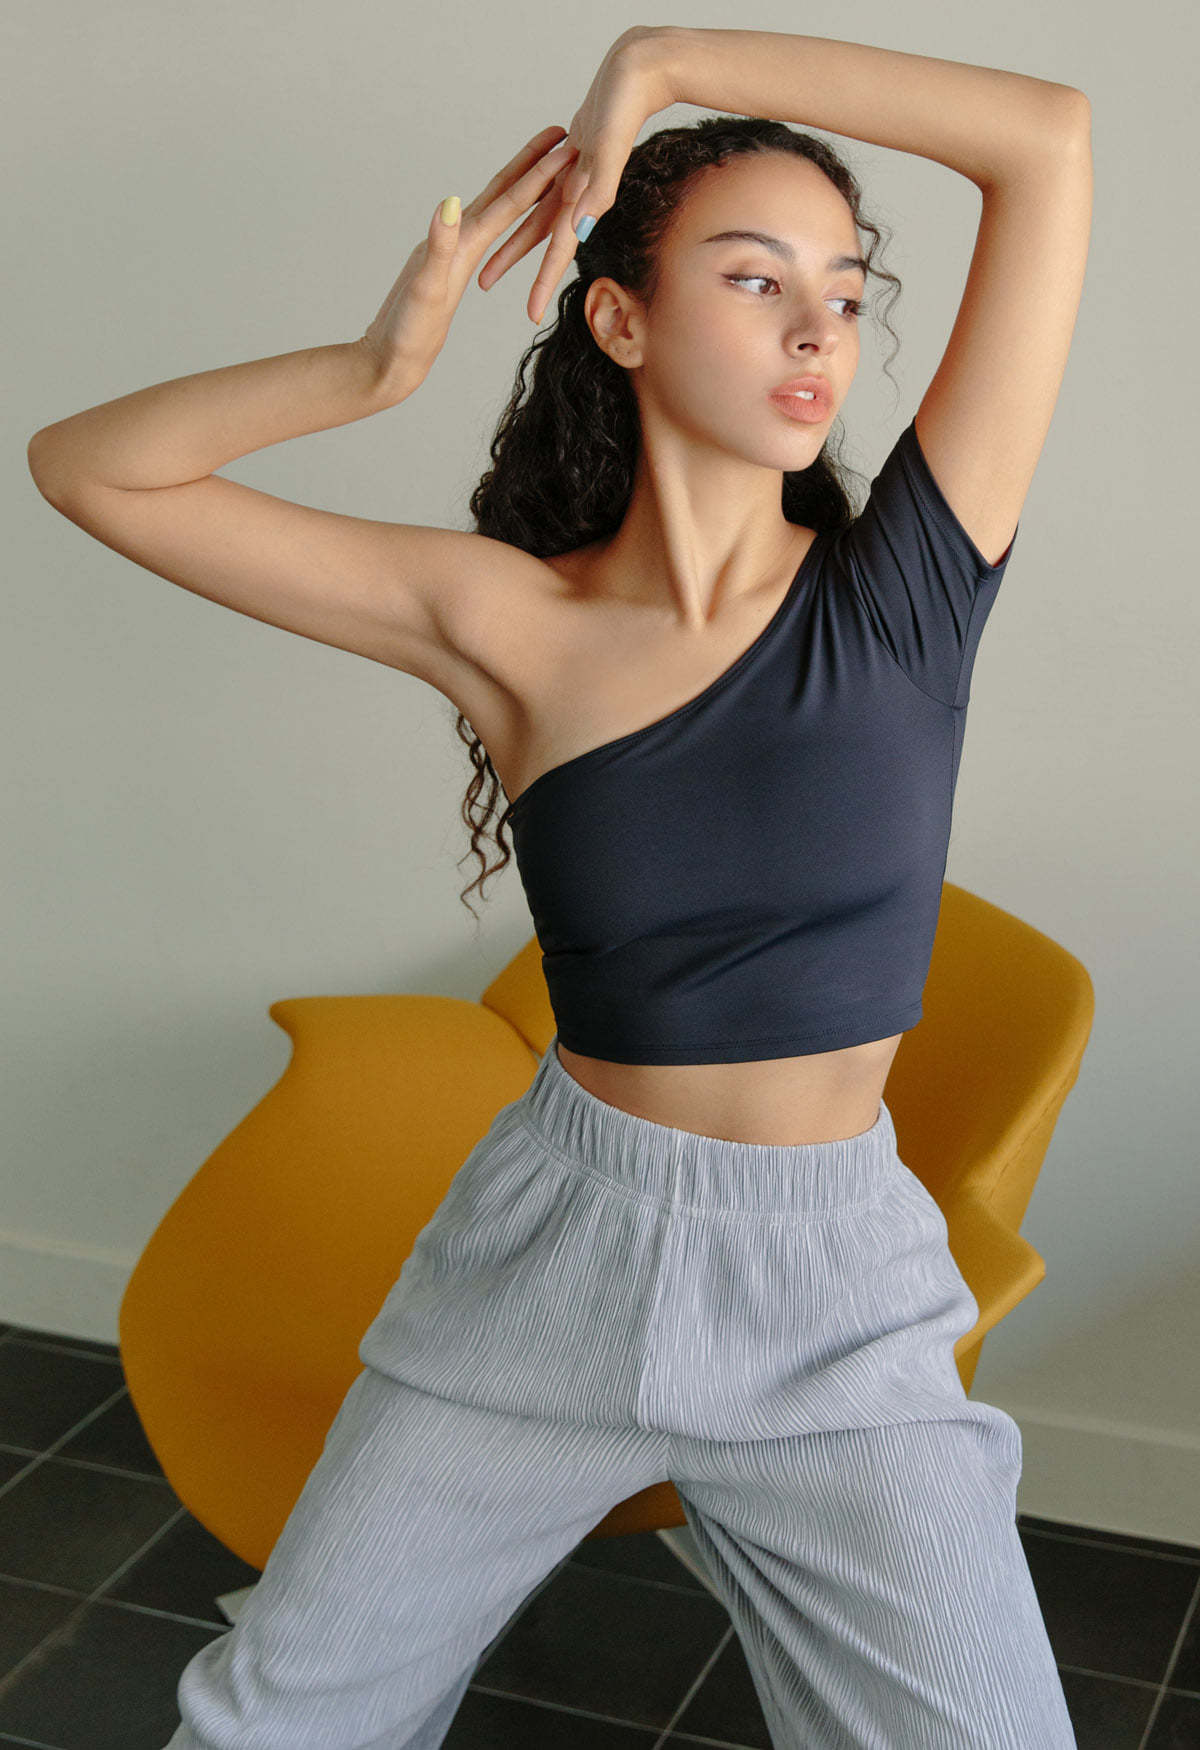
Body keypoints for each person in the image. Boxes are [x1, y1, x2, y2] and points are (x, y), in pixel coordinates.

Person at [28, 25, 1093, 1749]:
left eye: (842, 289)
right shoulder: (508, 620)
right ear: (619, 318)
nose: (818, 328)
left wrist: (659, 58)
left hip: (833, 1295)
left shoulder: (904, 588)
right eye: (754, 278)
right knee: (269, 1725)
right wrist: (371, 367)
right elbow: (87, 466)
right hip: (551, 1262)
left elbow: (1045, 140)